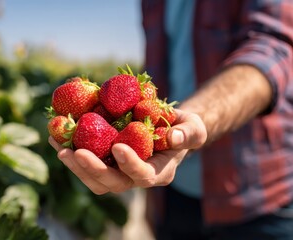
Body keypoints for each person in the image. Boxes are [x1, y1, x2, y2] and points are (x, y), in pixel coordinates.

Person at [49, 0, 293, 239]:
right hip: (172, 195)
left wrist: (195, 119)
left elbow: (273, 49)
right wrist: (153, 198)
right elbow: (156, 75)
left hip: (259, 199)